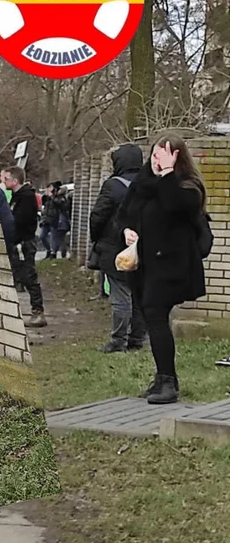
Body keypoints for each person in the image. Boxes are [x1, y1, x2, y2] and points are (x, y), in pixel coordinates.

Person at [116, 132, 207, 404]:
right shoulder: (143, 185)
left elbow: (175, 205)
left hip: (171, 265)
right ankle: (163, 377)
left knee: (155, 316)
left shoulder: (187, 186)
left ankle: (168, 382)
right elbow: (124, 213)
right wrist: (127, 231)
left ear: (177, 157)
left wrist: (168, 173)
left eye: (163, 155)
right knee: (151, 316)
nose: (156, 160)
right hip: (145, 264)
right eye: (154, 154)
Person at [88, 144, 147, 353]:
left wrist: (98, 240)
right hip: (145, 250)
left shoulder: (113, 186)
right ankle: (137, 339)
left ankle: (118, 341)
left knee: (121, 297)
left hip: (116, 251)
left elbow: (98, 216)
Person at [1, 166, 47, 327]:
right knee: (19, 276)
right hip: (17, 243)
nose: (3, 182)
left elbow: (21, 221)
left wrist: (15, 237)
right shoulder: (17, 196)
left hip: (24, 243)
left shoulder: (26, 197)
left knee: (29, 277)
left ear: (14, 181)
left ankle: (38, 312)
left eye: (6, 179)